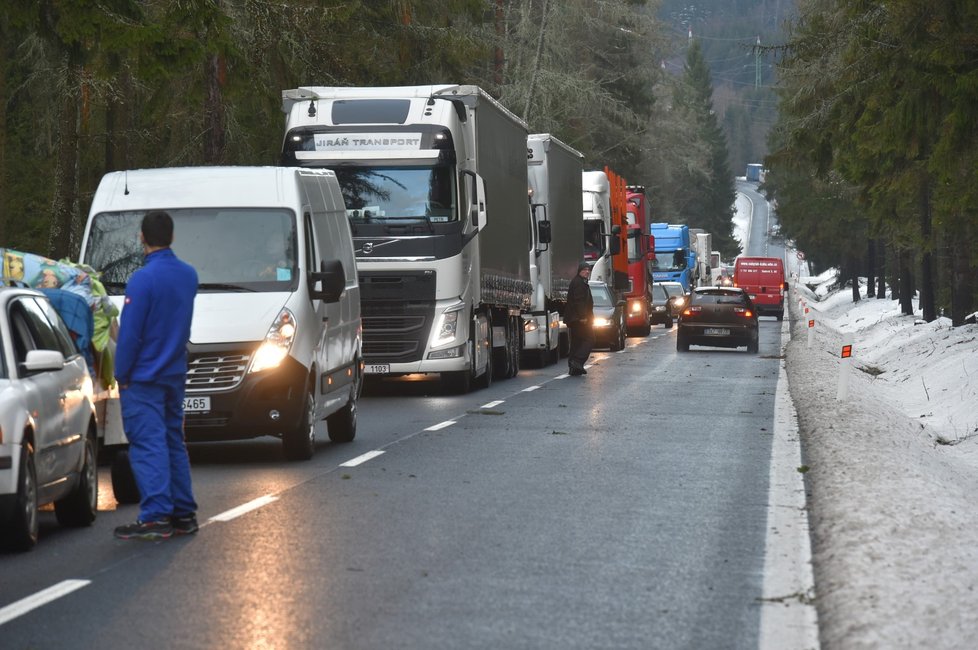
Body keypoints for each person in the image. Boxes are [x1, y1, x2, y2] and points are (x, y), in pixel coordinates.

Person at [113, 210, 199, 540]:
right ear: (172, 237)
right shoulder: (188, 275)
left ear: (142, 238)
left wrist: (122, 374)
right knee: (173, 440)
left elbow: (131, 334)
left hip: (144, 377)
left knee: (148, 444)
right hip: (174, 373)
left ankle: (156, 515)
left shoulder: (142, 280)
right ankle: (183, 513)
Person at [565, 261, 594, 376]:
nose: (587, 272)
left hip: (576, 319)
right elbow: (579, 301)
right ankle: (577, 361)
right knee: (590, 339)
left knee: (577, 342)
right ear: (579, 271)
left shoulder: (581, 282)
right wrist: (583, 317)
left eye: (588, 270)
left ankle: (573, 367)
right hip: (579, 319)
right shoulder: (578, 283)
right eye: (584, 270)